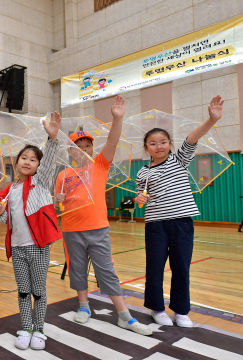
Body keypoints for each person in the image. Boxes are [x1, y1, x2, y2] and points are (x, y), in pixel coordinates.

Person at [55, 95, 152, 336]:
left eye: (88, 145)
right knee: (77, 269)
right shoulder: (62, 174)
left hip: (97, 228)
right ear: (70, 150)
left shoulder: (99, 164)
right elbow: (60, 205)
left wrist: (117, 118)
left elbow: (112, 140)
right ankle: (84, 306)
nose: (84, 149)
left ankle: (124, 316)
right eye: (79, 146)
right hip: (71, 229)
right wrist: (58, 201)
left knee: (106, 271)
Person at [135, 95, 224, 328]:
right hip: (155, 225)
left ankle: (181, 311)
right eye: (153, 143)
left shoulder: (179, 160)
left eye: (163, 141)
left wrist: (211, 119)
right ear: (147, 148)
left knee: (181, 266)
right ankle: (156, 308)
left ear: (170, 144)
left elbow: (192, 138)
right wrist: (139, 198)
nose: (159, 146)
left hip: (182, 222)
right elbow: (140, 201)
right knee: (154, 266)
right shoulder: (142, 173)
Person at [0, 112, 63, 350]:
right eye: (24, 157)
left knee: (38, 291)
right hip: (18, 249)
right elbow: (3, 222)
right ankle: (26, 327)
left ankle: (39, 329)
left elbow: (48, 162)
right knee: (23, 291)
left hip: (39, 247)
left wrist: (52, 139)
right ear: (16, 162)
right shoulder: (9, 190)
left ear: (38, 166)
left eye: (33, 159)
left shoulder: (40, 182)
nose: (27, 162)